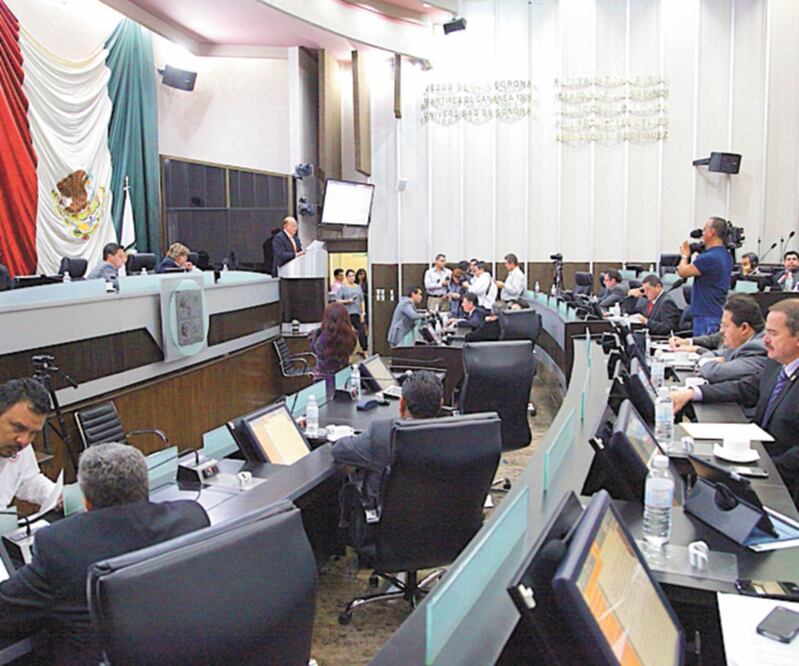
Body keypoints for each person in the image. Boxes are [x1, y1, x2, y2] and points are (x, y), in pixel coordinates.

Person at [0, 443, 209, 665]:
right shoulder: (191, 518)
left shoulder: (59, 545)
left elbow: (6, 610)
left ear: (87, 502)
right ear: (144, 487)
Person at [670, 300, 799, 494]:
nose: (765, 340)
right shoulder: (777, 365)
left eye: (773, 334)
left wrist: (762, 471)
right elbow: (744, 389)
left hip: (784, 486)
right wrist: (693, 393)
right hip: (758, 465)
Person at [332, 371, 443, 509]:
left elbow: (339, 451)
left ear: (401, 403)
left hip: (383, 527)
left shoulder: (381, 433)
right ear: (440, 405)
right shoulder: (454, 438)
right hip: (437, 523)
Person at [671, 295, 768, 385]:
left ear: (744, 328)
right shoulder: (741, 342)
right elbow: (717, 354)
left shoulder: (758, 348)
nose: (721, 331)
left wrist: (704, 361)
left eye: (725, 326)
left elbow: (713, 373)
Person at [0, 379, 57, 510]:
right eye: (18, 427)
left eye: (33, 433)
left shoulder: (16, 444)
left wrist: (55, 494)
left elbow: (28, 480)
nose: (24, 441)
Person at [677, 217, 734, 335]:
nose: (702, 233)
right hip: (715, 312)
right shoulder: (726, 255)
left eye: (704, 230)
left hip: (706, 316)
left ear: (712, 231)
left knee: (703, 349)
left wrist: (685, 255)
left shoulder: (709, 258)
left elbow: (682, 271)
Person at [309, 303, 357, 385]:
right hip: (343, 378)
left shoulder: (321, 338)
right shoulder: (350, 337)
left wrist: (314, 336)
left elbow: (315, 350)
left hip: (322, 379)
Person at [337, 269, 367, 353]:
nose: (352, 278)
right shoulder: (343, 288)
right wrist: (347, 301)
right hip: (347, 314)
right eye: (350, 276)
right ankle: (347, 353)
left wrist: (363, 312)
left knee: (362, 332)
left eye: (353, 276)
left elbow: (362, 300)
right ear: (347, 277)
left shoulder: (358, 287)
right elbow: (338, 300)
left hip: (357, 313)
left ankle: (364, 350)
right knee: (347, 334)